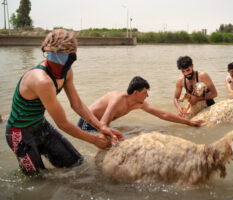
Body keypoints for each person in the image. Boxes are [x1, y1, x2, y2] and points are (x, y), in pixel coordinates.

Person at [5, 29, 121, 174]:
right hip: (20, 133)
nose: (67, 64)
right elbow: (62, 124)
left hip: (41, 126)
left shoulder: (67, 72)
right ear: (53, 56)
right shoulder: (42, 81)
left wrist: (101, 127)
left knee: (77, 164)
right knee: (38, 179)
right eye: (66, 57)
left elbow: (77, 104)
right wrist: (94, 140)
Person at [77, 76, 204, 133]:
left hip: (100, 124)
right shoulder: (118, 99)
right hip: (87, 123)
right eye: (145, 93)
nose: (147, 96)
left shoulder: (138, 103)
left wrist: (188, 123)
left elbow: (163, 114)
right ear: (136, 93)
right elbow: (103, 125)